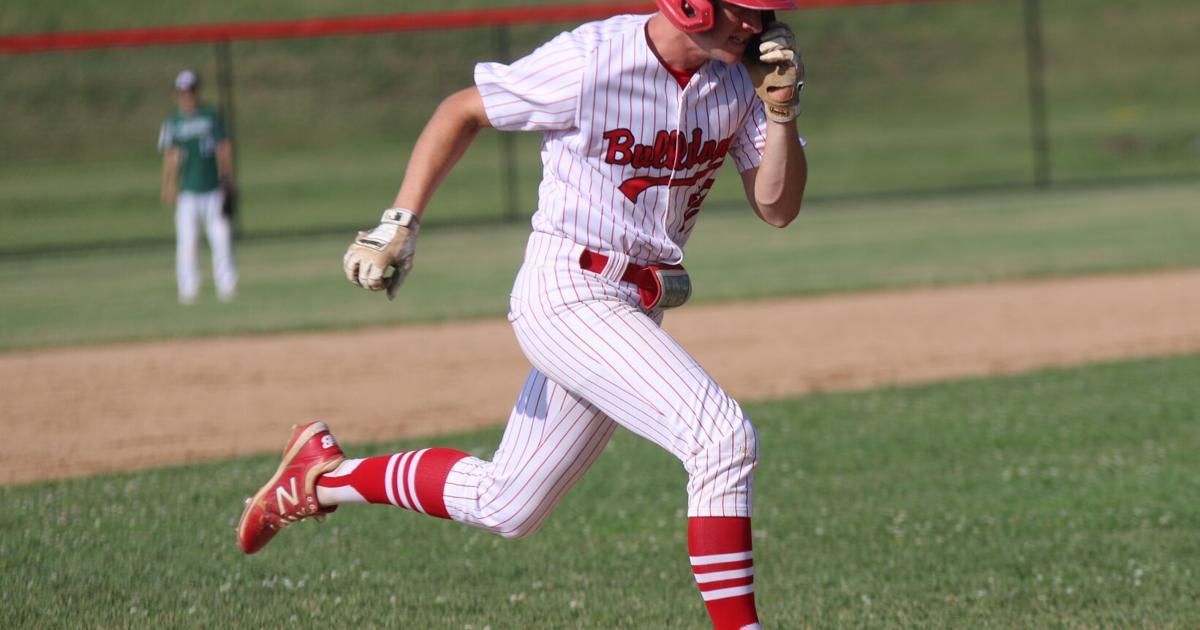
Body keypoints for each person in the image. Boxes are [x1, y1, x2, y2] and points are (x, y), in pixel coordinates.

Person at [237, 1, 806, 627]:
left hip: (633, 307)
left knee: (508, 503)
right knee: (721, 439)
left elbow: (777, 207)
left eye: (767, 11)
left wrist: (780, 112)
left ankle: (318, 477)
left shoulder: (739, 82)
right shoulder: (593, 60)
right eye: (746, 9)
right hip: (566, 290)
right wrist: (399, 221)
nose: (759, 24)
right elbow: (462, 110)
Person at [158, 69, 238, 304]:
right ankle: (189, 289)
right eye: (183, 92)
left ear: (197, 92)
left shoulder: (211, 115)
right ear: (177, 94)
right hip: (188, 193)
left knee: (221, 238)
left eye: (190, 91)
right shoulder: (173, 122)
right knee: (187, 242)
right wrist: (168, 184)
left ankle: (227, 286)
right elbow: (170, 155)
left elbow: (223, 147)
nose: (187, 96)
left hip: (213, 190)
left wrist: (227, 178)